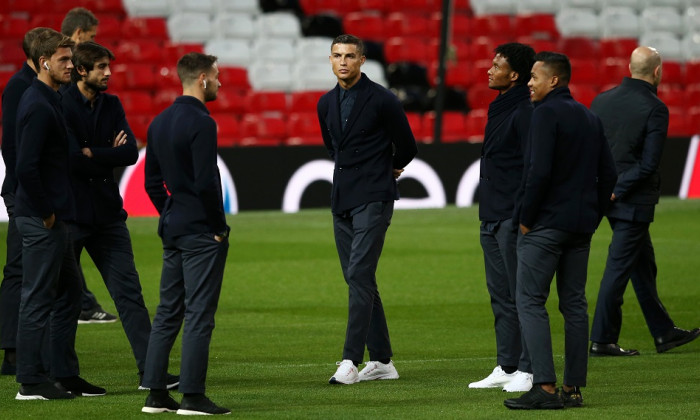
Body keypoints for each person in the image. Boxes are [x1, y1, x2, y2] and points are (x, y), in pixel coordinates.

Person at [61, 41, 179, 390]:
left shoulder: (111, 104)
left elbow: (129, 153)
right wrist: (102, 154)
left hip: (109, 216)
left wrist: (91, 153)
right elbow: (70, 159)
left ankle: (151, 372)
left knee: (129, 294)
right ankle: (65, 376)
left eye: (107, 66)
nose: (108, 73)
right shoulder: (62, 104)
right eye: (100, 67)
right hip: (72, 214)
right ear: (81, 71)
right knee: (66, 299)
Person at [504, 52, 617, 410]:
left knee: (530, 301)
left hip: (546, 225)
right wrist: (593, 216)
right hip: (580, 227)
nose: (529, 82)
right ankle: (572, 388)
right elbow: (609, 175)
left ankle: (545, 387)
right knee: (574, 305)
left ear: (554, 80)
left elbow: (538, 172)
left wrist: (525, 218)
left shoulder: (545, 114)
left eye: (535, 76)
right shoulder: (589, 117)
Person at [317, 34, 417, 385]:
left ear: (361, 61)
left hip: (375, 195)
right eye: (336, 55)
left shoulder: (383, 99)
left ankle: (349, 360)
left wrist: (387, 166)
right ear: (330, 60)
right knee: (359, 278)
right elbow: (335, 148)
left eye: (349, 56)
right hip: (342, 198)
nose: (342, 61)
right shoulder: (325, 103)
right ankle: (384, 361)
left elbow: (407, 145)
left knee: (358, 275)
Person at [589, 46, 700, 357]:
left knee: (643, 266)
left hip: (605, 196)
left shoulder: (601, 100)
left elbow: (591, 149)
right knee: (618, 268)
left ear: (629, 66)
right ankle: (602, 339)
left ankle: (664, 332)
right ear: (657, 71)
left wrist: (603, 186)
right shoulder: (655, 107)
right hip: (632, 199)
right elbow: (649, 163)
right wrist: (617, 188)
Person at [14, 28, 105, 400]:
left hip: (55, 218)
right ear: (43, 62)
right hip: (42, 220)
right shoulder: (37, 103)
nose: (72, 64)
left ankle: (63, 373)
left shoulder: (48, 98)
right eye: (65, 59)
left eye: (71, 58)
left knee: (69, 294)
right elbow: (26, 168)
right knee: (37, 297)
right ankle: (30, 380)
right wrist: (48, 214)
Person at [142, 52, 230, 415]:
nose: (221, 83)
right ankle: (192, 396)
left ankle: (156, 394)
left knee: (167, 312)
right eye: (217, 76)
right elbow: (206, 181)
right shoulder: (202, 123)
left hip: (174, 226)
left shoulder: (159, 122)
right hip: (199, 230)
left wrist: (170, 212)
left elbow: (150, 183)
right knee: (198, 314)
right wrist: (217, 226)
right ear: (202, 79)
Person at [468, 43, 535, 393]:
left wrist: (522, 215)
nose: (489, 70)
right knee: (500, 296)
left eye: (497, 65)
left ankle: (529, 367)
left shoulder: (525, 111)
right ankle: (507, 365)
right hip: (491, 214)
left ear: (515, 75)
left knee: (520, 294)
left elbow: (532, 167)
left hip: (511, 215)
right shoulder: (501, 106)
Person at [59, 6, 117, 324]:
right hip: (69, 182)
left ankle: (81, 303)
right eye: (91, 37)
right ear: (79, 34)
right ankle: (81, 304)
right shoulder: (67, 76)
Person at [0, 27, 46, 376]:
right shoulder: (21, 87)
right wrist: (20, 190)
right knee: (18, 269)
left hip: (30, 189)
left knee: (28, 270)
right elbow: (13, 144)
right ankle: (12, 353)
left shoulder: (35, 85)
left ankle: (28, 349)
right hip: (22, 191)